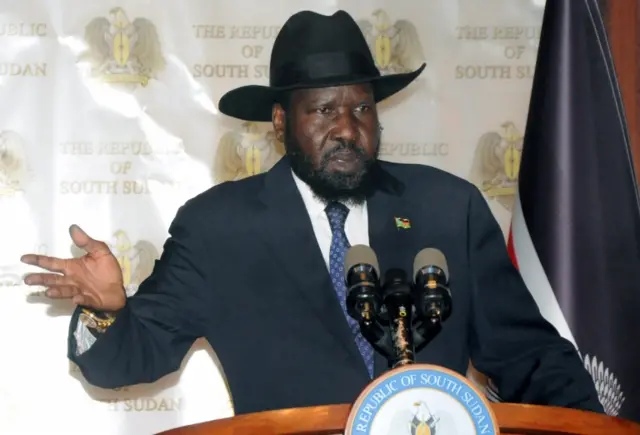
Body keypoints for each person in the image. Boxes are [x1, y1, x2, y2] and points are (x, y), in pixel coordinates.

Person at [20, 10, 604, 416]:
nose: (347, 129)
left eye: (362, 108)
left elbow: (528, 356)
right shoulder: (219, 229)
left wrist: (597, 425)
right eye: (323, 110)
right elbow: (128, 358)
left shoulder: (449, 209)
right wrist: (107, 314)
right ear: (280, 123)